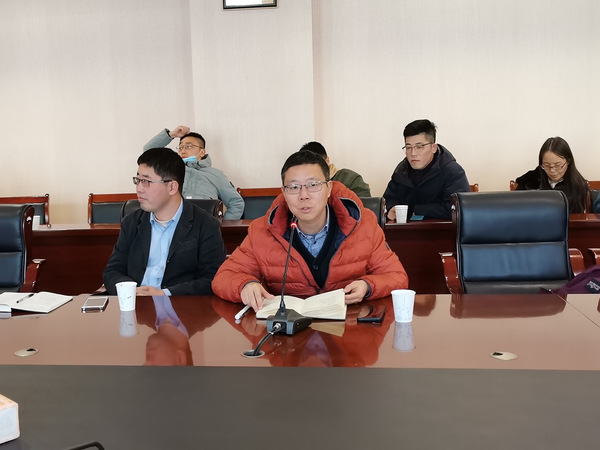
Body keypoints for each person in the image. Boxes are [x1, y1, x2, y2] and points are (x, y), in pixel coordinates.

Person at [211, 150, 408, 311]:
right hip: (287, 334)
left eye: (313, 185)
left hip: (349, 330)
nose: (303, 195)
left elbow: (396, 276)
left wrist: (368, 286)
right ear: (284, 192)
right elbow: (223, 277)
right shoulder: (262, 231)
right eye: (293, 187)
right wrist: (244, 286)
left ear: (329, 188)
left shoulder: (363, 225)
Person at [103, 147, 227, 296]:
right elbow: (113, 271)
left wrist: (164, 294)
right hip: (135, 303)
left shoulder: (205, 225)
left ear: (172, 187)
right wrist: (132, 291)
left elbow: (212, 279)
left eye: (146, 181)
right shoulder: (132, 222)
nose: (139, 189)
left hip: (178, 306)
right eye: (138, 180)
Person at [143, 126, 244, 219]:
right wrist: (171, 134)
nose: (183, 151)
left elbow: (236, 202)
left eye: (188, 146)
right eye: (180, 147)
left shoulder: (216, 175)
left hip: (204, 226)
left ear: (202, 152)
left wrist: (221, 226)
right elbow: (148, 152)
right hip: (172, 223)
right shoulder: (171, 170)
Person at [384, 119, 470, 220]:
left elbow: (458, 209)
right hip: (407, 229)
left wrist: (416, 210)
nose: (413, 153)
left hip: (442, 228)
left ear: (434, 148)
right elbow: (387, 200)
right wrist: (391, 208)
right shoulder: (402, 170)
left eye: (419, 147)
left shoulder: (452, 171)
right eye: (408, 147)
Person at [515, 137, 589, 213]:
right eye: (546, 165)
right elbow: (516, 208)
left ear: (568, 161)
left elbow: (577, 217)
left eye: (557, 165)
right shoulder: (529, 182)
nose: (552, 170)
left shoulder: (579, 187)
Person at [300, 141, 371, 197]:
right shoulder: (299, 184)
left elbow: (365, 206)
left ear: (327, 160)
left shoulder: (350, 179)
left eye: (317, 165)